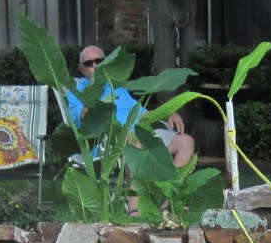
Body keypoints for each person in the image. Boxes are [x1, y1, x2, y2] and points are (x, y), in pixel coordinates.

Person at [67, 45, 195, 168]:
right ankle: (135, 184)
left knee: (186, 142)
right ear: (82, 69)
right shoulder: (75, 90)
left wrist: (167, 113)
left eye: (99, 61)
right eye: (89, 63)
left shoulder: (117, 87)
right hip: (110, 141)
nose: (95, 66)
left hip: (142, 134)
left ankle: (172, 182)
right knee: (135, 147)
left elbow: (143, 114)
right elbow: (82, 119)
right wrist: (95, 91)